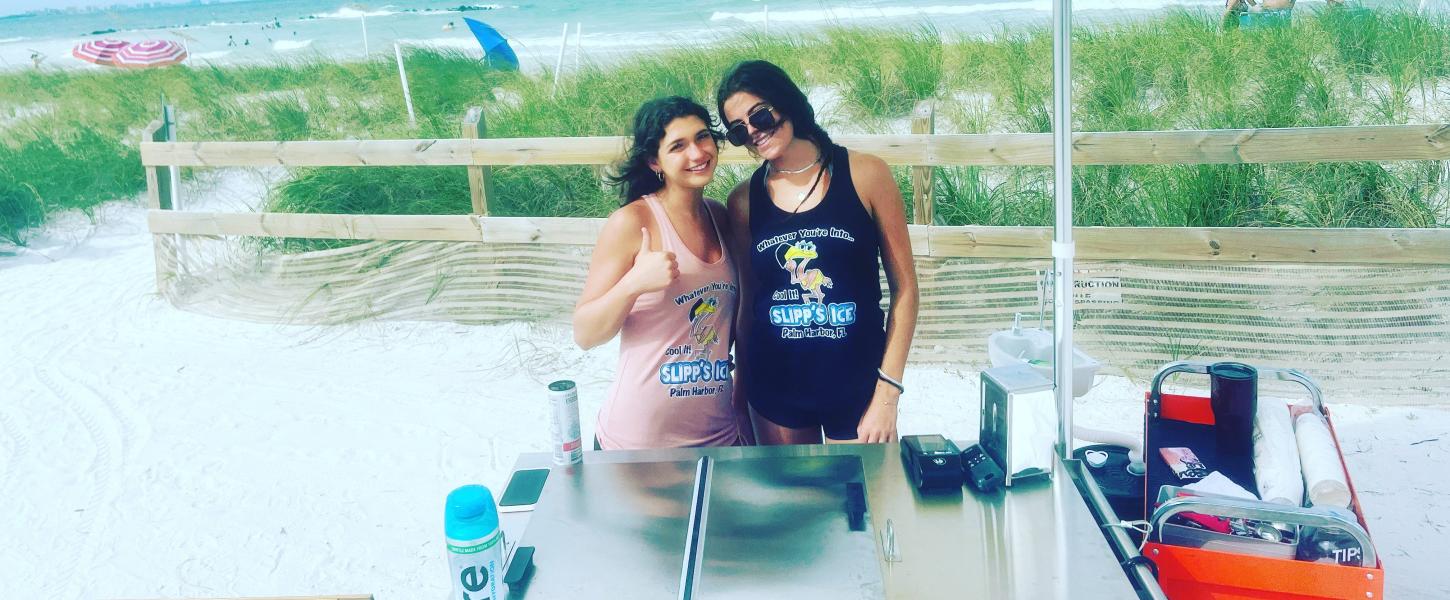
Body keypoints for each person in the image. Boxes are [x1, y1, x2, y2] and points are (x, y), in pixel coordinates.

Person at [717, 60, 919, 446]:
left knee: (866, 503)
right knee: (797, 506)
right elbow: (748, 303)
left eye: (759, 115)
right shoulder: (743, 201)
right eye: (739, 131)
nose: (754, 132)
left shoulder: (865, 174)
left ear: (786, 101)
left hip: (858, 389)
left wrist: (887, 395)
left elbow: (906, 290)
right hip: (776, 392)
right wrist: (740, 394)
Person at [573, 96, 748, 450]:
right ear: (655, 161)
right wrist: (633, 284)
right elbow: (585, 333)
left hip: (718, 436)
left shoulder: (721, 217)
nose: (697, 153)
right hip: (639, 444)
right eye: (678, 146)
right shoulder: (632, 222)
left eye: (702, 137)